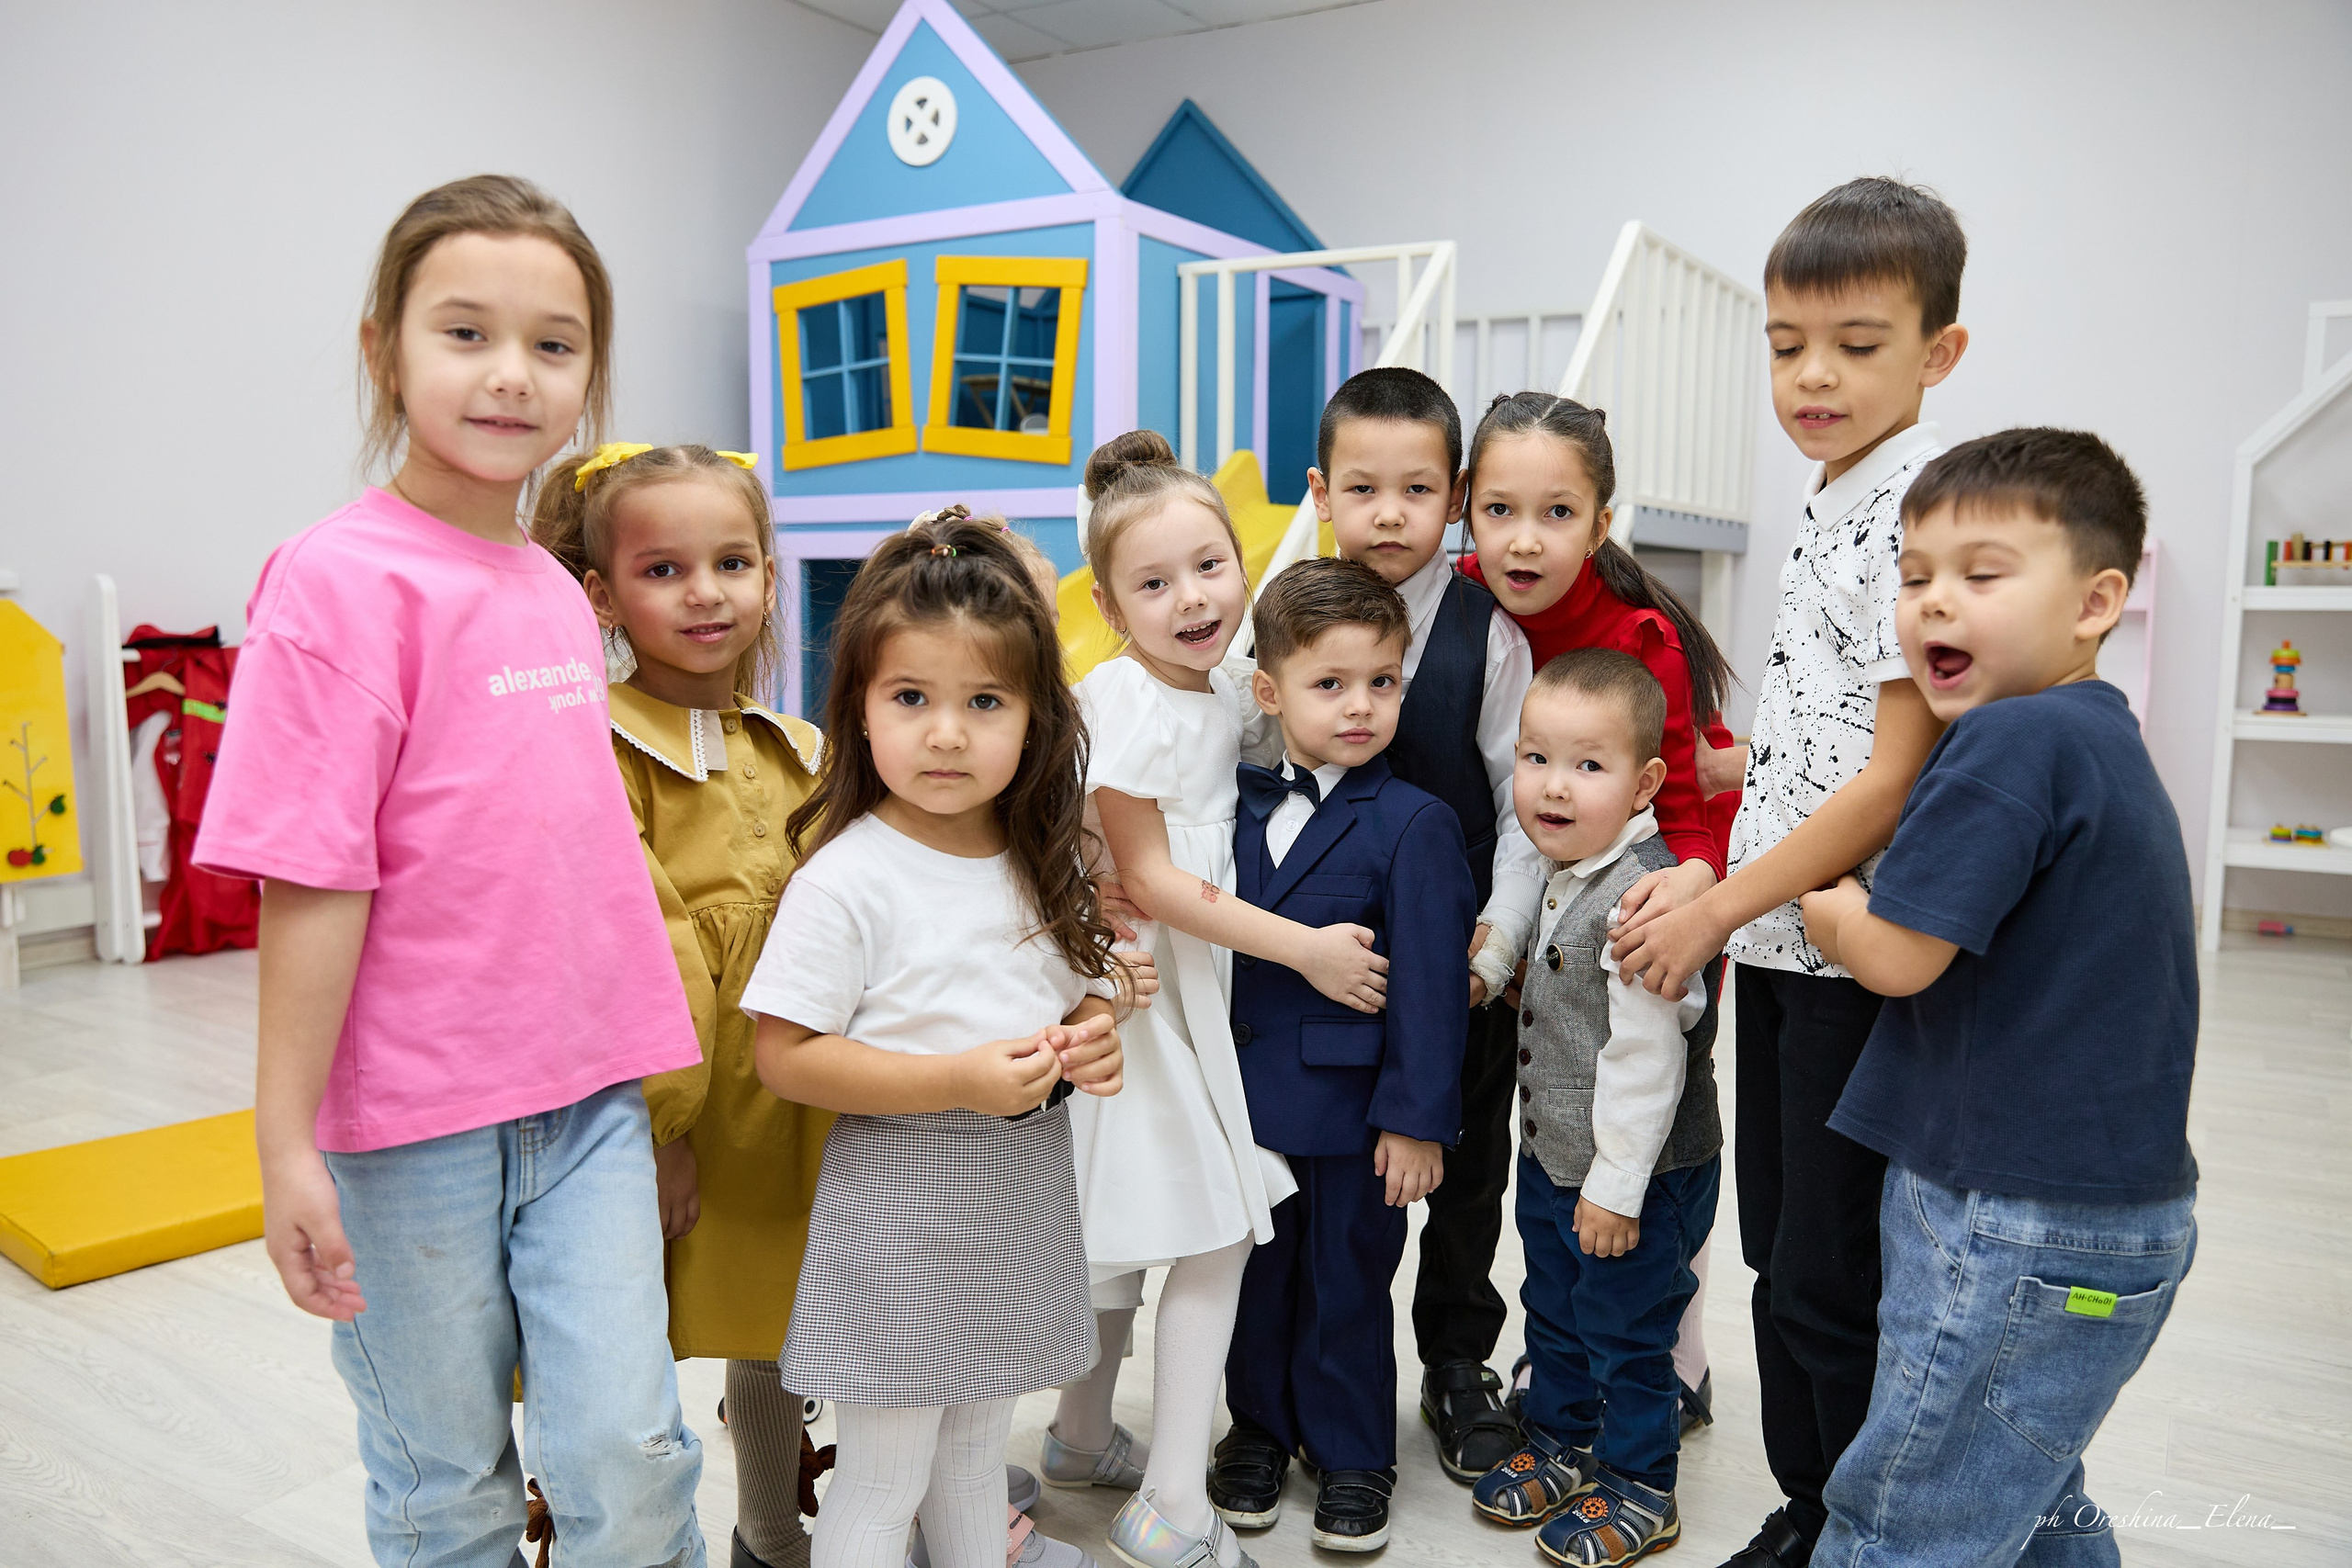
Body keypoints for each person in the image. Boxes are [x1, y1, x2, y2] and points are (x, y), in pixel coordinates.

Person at [196, 175, 710, 1566]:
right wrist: (285, 1138)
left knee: (632, 1448)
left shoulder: (553, 587)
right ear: (385, 349)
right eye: (466, 331)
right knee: (446, 1478)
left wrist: (660, 1094)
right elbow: (312, 878)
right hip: (411, 1124)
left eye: (554, 343)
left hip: (588, 1095)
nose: (511, 375)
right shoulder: (333, 582)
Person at [1607, 176, 1972, 1568]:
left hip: (1835, 948)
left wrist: (1712, 902)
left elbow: (1889, 780)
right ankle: (1813, 1496)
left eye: (1858, 344)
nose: (1813, 375)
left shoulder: (1912, 513)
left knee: (1830, 1265)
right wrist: (1733, 771)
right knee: (1782, 1249)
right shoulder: (1835, 495)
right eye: (1785, 343)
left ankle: (1845, 1516)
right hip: (1784, 941)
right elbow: (1835, 735)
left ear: (1939, 352)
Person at [1800, 430, 2198, 1566]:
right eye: (1914, 577)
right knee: (2018, 1483)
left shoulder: (2007, 742)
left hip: (2007, 1215)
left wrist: (1831, 912)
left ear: (2095, 601)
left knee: (1901, 1517)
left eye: (1980, 575)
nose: (1932, 605)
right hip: (2106, 1214)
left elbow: (1899, 957)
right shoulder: (2096, 736)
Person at [746, 512, 1126, 1568]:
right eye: (911, 699)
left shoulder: (1034, 853)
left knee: (969, 1457)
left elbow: (1089, 993)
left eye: (984, 702)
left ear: (1034, 719)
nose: (947, 734)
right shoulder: (846, 878)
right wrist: (955, 1079)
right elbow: (785, 1055)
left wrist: (1093, 1034)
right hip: (898, 1210)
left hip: (1015, 1195)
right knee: (881, 1476)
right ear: (859, 711)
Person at [1059, 432, 1392, 1568]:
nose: (1191, 597)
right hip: (1149, 1001)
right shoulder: (1129, 704)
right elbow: (1149, 879)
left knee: (1130, 1226)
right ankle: (1168, 1506)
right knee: (1210, 1233)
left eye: (1209, 566)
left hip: (1184, 992)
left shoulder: (1206, 684)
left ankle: (1079, 1431)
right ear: (1110, 605)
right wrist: (1305, 949)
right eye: (1153, 584)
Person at [533, 440, 842, 1568]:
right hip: (672, 1100)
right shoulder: (599, 744)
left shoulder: (801, 743)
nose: (706, 594)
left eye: (732, 563)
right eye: (663, 571)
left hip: (793, 1091)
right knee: (625, 1334)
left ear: (770, 574)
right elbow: (637, 947)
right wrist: (662, 1133)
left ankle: (771, 1529)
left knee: (779, 1327)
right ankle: (589, 1530)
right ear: (603, 595)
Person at [1456, 389, 1741, 1438]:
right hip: (1536, 904)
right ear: (1466, 511)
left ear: (1600, 522)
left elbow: (1689, 805)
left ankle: (1675, 1355)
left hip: (1647, 904)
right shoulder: (1463, 599)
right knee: (1560, 1143)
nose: (1523, 540)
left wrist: (1693, 895)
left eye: (1558, 513)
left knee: (1649, 1119)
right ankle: (1563, 1357)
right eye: (1498, 510)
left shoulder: (1638, 636)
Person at [1304, 369, 1545, 1480]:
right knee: (1321, 1182)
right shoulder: (1286, 621)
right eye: (1362, 487)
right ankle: (1300, 1373)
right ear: (1322, 494)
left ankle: (1456, 1363)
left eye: (1415, 488)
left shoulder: (1488, 637)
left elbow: (1518, 805)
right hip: (1317, 969)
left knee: (1464, 1168)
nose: (1388, 513)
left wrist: (1493, 946)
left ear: (1453, 499)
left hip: (1457, 969)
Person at [1210, 558, 1476, 1552]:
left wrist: (1415, 1120)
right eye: (1331, 685)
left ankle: (1357, 1452)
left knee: (1349, 1283)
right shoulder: (1226, 810)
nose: (1360, 707)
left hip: (1352, 1115)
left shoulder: (1414, 823)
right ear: (1270, 693)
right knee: (1252, 1281)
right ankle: (1257, 1433)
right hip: (1240, 1104)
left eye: (1382, 682)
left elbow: (1428, 991)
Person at [1467, 649, 1720, 1568]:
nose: (1553, 787)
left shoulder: (1643, 899)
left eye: (1587, 765)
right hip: (1558, 1157)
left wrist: (1616, 1189)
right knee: (1556, 1306)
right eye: (1535, 759)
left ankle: (1641, 1482)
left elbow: (1646, 1064)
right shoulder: (1559, 861)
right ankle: (1565, 1439)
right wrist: (1486, 968)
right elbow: (1525, 923)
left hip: (1636, 1175)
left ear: (1646, 781)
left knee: (1627, 1329)